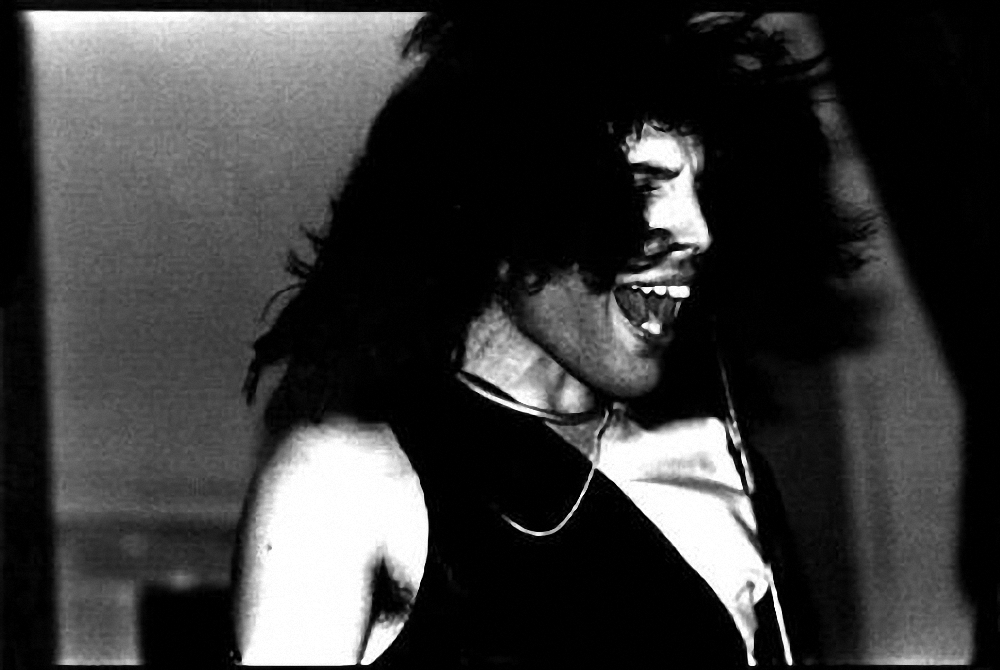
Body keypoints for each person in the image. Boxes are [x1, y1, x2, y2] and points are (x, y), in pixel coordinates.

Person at [232, 10, 871, 666]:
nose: (698, 232)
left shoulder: (723, 471)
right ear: (507, 212)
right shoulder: (344, 479)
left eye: (701, 190)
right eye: (644, 186)